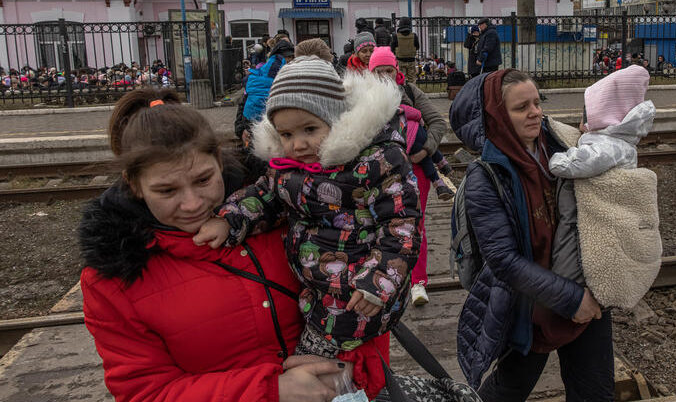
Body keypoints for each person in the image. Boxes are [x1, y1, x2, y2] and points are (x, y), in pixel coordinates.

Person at [79, 88, 344, 402]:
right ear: (134, 185)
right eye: (167, 191)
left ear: (219, 161)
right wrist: (271, 391)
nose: (192, 204)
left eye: (203, 180)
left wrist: (351, 368)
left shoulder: (289, 207)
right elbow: (146, 392)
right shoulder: (112, 278)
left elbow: (360, 289)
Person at [197, 57, 420, 398]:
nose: (297, 144)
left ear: (338, 121)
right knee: (321, 372)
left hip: (358, 292)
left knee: (315, 368)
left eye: (310, 130)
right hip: (318, 285)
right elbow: (265, 195)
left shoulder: (376, 162)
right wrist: (230, 219)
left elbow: (400, 225)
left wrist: (379, 280)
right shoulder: (289, 166)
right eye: (286, 134)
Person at [449, 69, 613, 401]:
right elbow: (503, 261)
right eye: (521, 107)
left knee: (596, 393)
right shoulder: (486, 177)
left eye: (537, 103)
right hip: (530, 306)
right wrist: (571, 300)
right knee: (508, 390)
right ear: (497, 117)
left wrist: (594, 144)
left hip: (586, 289)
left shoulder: (560, 143)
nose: (535, 112)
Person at [547, 65, 662, 311]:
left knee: (584, 250)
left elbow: (575, 164)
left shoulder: (607, 146)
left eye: (585, 112)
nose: (580, 117)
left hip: (601, 215)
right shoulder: (616, 140)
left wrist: (556, 159)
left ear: (601, 115)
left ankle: (576, 292)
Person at [368, 46, 449, 307]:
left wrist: (425, 150)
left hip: (415, 171)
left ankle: (418, 281)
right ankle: (384, 279)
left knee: (416, 225)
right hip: (380, 172)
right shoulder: (362, 96)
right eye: (378, 71)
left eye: (388, 70)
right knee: (378, 225)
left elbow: (438, 122)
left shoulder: (411, 92)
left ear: (396, 71)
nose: (384, 76)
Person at [390, 17, 420, 84]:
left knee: (401, 79)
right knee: (412, 80)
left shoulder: (395, 36)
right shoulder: (414, 36)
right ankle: (412, 90)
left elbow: (392, 49)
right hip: (411, 61)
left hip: (400, 61)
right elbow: (417, 47)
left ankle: (403, 90)